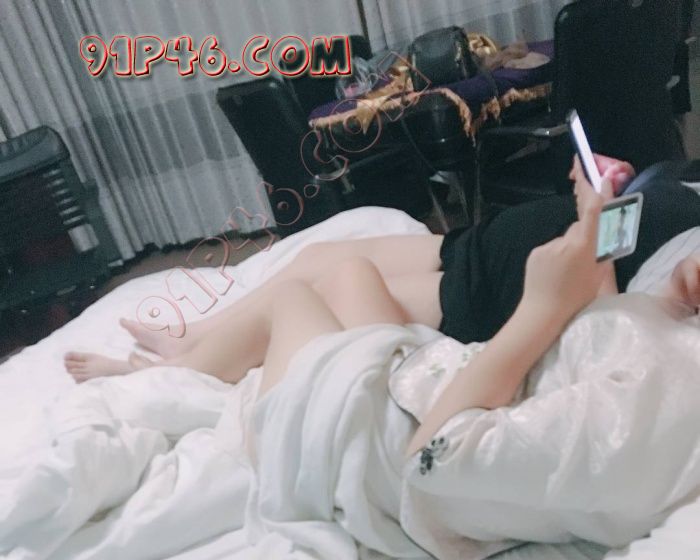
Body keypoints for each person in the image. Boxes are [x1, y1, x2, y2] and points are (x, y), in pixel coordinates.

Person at [64, 153, 700, 388]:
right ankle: (192, 337)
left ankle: (171, 374)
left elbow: (615, 324)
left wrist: (594, 221)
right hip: (478, 244)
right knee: (312, 258)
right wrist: (612, 193)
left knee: (321, 289)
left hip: (482, 292)